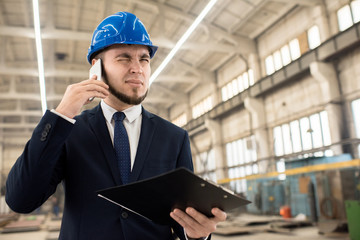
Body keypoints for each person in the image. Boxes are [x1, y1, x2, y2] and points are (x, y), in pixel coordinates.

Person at [5, 11, 226, 240]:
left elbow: (183, 218)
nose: (137, 68)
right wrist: (61, 115)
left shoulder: (174, 137)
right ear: (96, 67)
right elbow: (21, 199)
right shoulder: (70, 131)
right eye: (124, 58)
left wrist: (197, 235)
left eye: (144, 59)